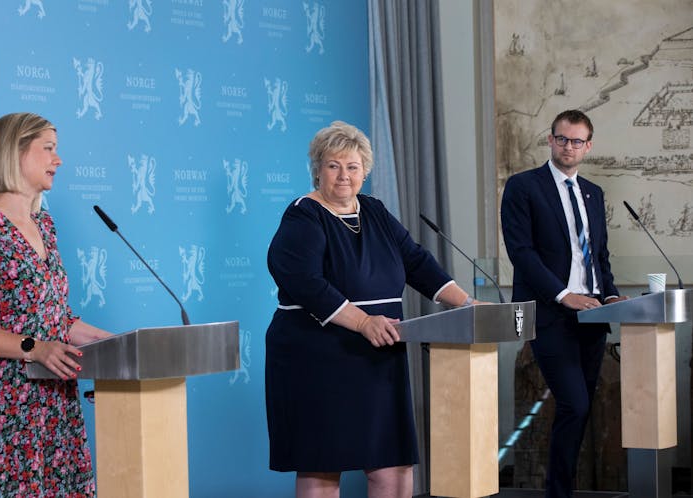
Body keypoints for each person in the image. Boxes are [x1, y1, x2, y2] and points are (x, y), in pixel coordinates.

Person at [265, 120, 478, 498]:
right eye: (333, 165)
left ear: (365, 171)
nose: (344, 175)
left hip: (379, 357)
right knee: (322, 466)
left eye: (352, 166)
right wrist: (363, 321)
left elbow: (416, 262)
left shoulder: (375, 211)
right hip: (317, 358)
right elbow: (304, 282)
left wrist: (468, 304)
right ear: (318, 171)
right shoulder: (303, 215)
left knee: (392, 466)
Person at [0, 112, 113, 497]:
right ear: (14, 154)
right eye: (48, 148)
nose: (59, 159)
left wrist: (113, 344)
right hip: (0, 417)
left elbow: (52, 316)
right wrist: (36, 349)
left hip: (53, 412)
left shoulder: (45, 226)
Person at [500, 109, 627, 498]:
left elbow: (599, 255)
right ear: (550, 140)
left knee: (582, 407)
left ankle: (562, 488)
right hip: (550, 313)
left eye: (576, 141)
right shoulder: (524, 187)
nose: (567, 146)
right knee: (573, 403)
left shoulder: (593, 193)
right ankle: (559, 492)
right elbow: (521, 253)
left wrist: (609, 295)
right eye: (561, 138)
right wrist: (563, 294)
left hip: (592, 314)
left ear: (587, 146)